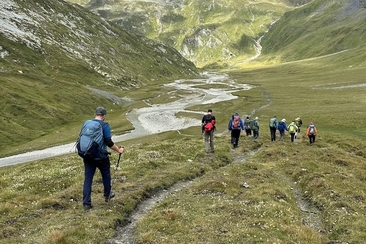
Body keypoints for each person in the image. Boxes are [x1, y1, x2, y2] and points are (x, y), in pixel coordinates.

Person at [81, 107, 124, 210]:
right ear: (104, 116)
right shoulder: (104, 125)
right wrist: (119, 150)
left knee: (88, 179)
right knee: (106, 174)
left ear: (95, 114)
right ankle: (107, 195)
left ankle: (86, 203)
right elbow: (108, 142)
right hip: (100, 156)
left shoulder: (87, 123)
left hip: (87, 155)